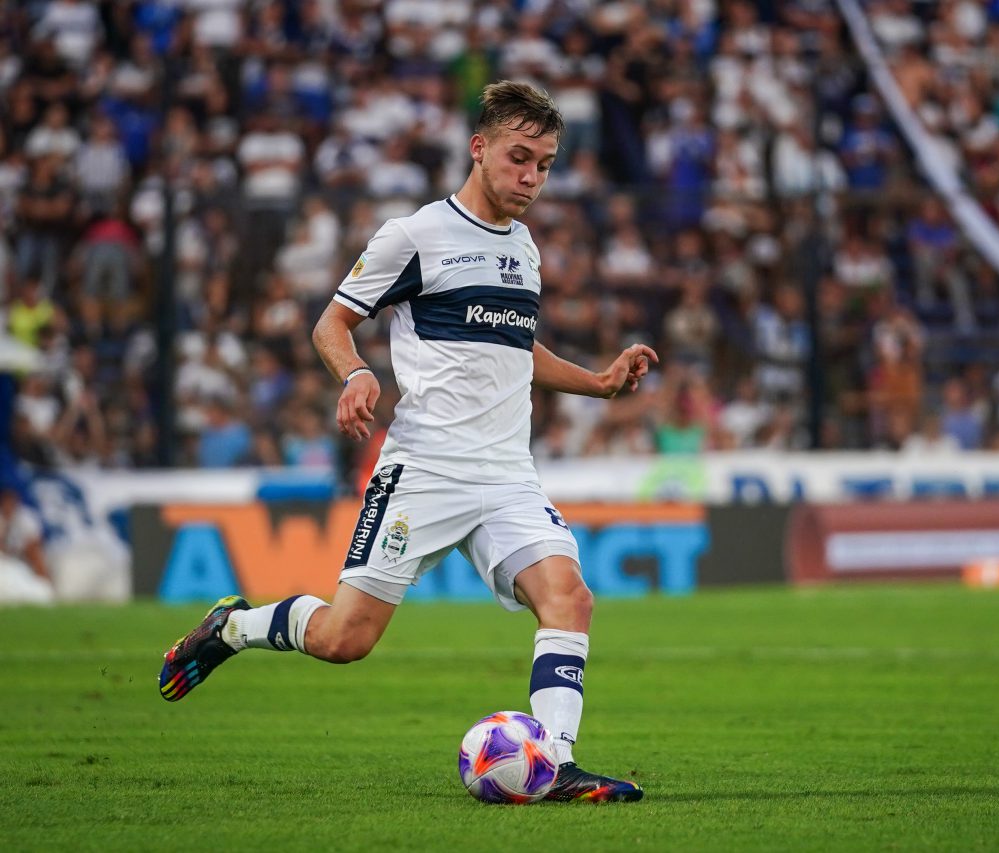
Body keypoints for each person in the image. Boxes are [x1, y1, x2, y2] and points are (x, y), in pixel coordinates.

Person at [158, 81, 655, 803]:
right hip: (424, 470)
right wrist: (357, 373)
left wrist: (599, 383)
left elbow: (518, 349)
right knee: (344, 639)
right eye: (519, 158)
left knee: (570, 598)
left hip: (507, 475)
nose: (532, 177)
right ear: (479, 148)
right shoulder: (416, 236)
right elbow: (331, 323)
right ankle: (232, 627)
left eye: (545, 165)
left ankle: (552, 763)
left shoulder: (524, 248)